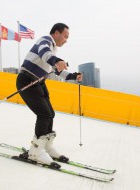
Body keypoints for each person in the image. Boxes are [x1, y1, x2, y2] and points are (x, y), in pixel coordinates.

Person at [16, 23, 82, 167]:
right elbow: (44, 53)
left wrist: (72, 75)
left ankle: (46, 146)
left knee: (50, 114)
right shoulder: (45, 41)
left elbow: (55, 70)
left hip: (38, 82)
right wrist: (56, 60)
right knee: (44, 114)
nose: (66, 40)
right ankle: (35, 151)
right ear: (56, 33)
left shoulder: (53, 51)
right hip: (27, 80)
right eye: (65, 36)